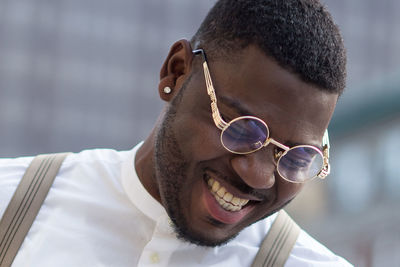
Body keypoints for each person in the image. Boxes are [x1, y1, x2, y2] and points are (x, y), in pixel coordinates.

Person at [0, 0, 352, 266]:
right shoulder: (9, 202)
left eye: (293, 156)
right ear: (176, 73)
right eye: (242, 128)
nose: (259, 176)